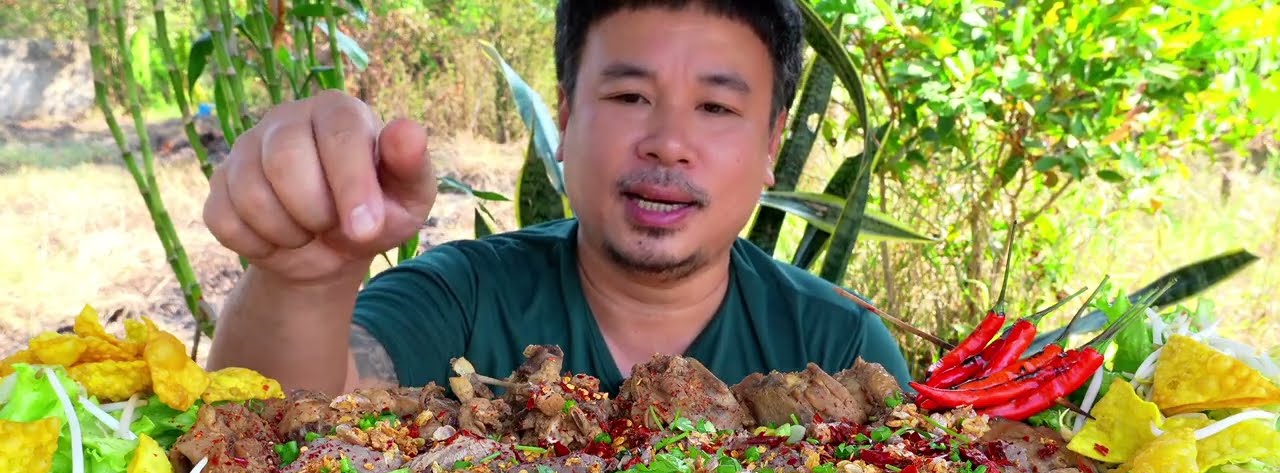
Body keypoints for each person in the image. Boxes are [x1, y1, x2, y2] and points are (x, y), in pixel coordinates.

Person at [203, 0, 912, 397]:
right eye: (630, 96)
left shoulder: (841, 350)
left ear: (770, 146)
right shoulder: (466, 299)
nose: (668, 142)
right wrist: (304, 283)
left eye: (716, 109)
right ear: (566, 120)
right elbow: (297, 413)